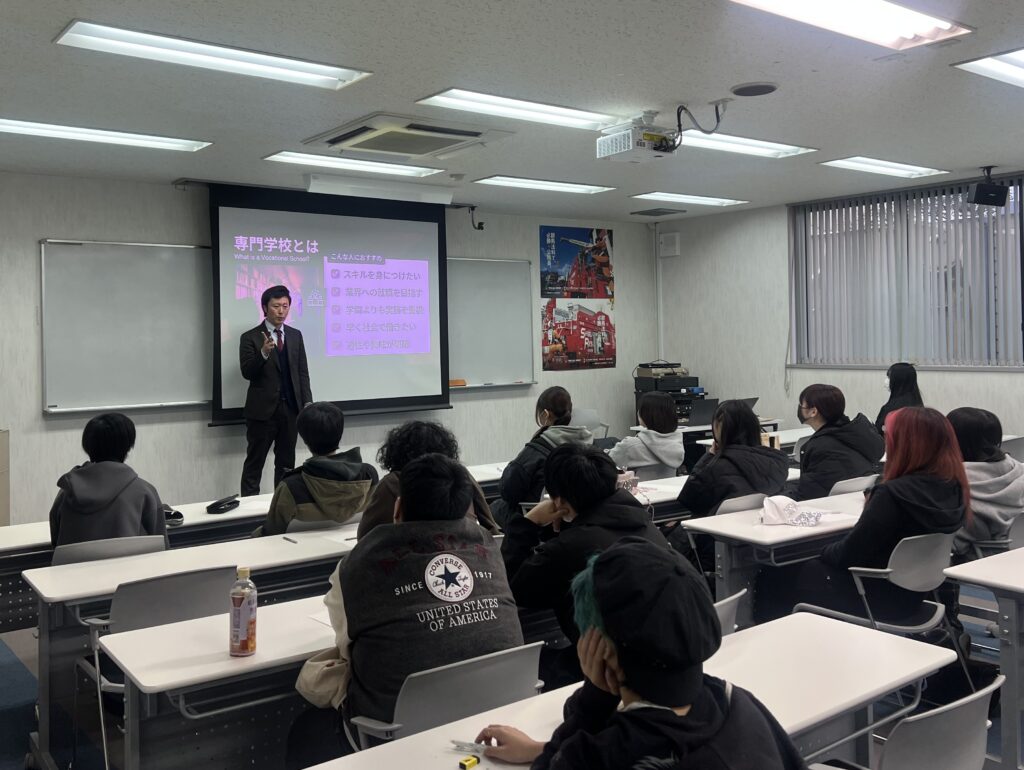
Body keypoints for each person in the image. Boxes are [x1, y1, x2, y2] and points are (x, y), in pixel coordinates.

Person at [475, 539, 806, 770]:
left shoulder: (598, 756)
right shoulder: (737, 701)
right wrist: (540, 749)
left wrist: (594, 701)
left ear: (598, 648)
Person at [287, 453, 523, 765]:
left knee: (304, 730)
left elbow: (346, 644)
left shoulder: (359, 564)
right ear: (468, 509)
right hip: (498, 719)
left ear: (397, 508)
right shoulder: (488, 547)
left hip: (393, 737)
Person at [756, 407, 968, 624]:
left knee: (775, 574)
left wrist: (818, 550)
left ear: (903, 444)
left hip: (872, 595)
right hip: (915, 594)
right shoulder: (953, 486)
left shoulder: (891, 495)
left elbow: (849, 554)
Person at [502, 443, 668, 685]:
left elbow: (514, 588)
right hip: (658, 660)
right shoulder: (643, 522)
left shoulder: (570, 548)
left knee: (522, 664)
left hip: (610, 674)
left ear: (558, 501)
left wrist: (528, 524)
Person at [675, 400, 790, 574]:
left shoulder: (718, 466)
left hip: (713, 543)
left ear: (719, 428)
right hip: (756, 540)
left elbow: (689, 501)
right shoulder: (776, 462)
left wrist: (708, 458)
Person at [357, 420, 498, 539]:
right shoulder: (460, 476)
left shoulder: (392, 483)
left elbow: (364, 536)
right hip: (464, 553)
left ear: (395, 452)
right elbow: (491, 527)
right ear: (446, 451)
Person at [253, 402, 378, 537]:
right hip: (351, 550)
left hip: (299, 554)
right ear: (340, 434)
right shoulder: (368, 475)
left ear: (304, 439)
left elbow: (272, 533)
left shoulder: (291, 487)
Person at [49, 413, 166, 547]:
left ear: (88, 446)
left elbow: (56, 543)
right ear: (127, 447)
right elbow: (161, 548)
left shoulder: (67, 491)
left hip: (72, 568)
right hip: (129, 568)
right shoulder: (145, 492)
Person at [239, 285, 312, 496]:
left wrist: (307, 403)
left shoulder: (295, 335)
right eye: (276, 306)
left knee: (286, 465)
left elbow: (302, 373)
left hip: (291, 411)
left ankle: (282, 508)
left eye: (285, 306)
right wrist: (262, 353)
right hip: (262, 413)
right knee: (255, 464)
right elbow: (247, 372)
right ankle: (248, 513)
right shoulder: (250, 337)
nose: (281, 311)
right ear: (265, 307)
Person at [490, 386, 593, 528]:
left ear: (545, 414)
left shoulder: (536, 450)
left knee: (494, 506)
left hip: (542, 522)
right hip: (579, 519)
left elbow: (508, 491)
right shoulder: (588, 445)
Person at [783, 384, 884, 501]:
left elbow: (808, 493)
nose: (800, 407)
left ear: (813, 411)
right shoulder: (857, 435)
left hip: (826, 507)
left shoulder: (822, 447)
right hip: (855, 503)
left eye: (802, 405)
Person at [947, 407, 1024, 557]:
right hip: (1017, 557)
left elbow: (955, 544)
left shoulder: (951, 483)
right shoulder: (1018, 469)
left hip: (972, 562)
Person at [607, 392, 684, 471]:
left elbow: (604, 463)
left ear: (645, 414)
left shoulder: (630, 445)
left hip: (637, 483)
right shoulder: (677, 444)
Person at [875, 362, 923, 433]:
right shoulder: (917, 405)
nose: (886, 381)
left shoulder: (891, 409)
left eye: (889, 377)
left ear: (898, 380)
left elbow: (878, 432)